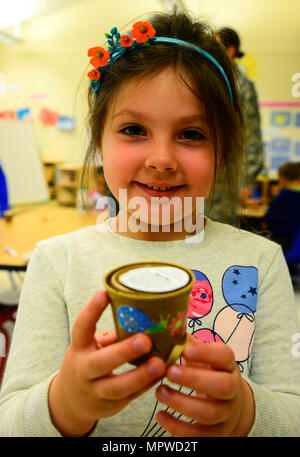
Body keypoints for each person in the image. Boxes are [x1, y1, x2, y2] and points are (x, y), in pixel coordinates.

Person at [0, 10, 299, 438]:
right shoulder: (56, 260)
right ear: (98, 143)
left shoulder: (262, 261)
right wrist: (64, 403)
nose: (161, 159)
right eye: (134, 129)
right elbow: (9, 422)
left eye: (191, 134)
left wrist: (244, 413)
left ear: (224, 151)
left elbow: (292, 412)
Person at [207, 27, 264, 225]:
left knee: (217, 233)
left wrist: (247, 180)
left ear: (231, 51)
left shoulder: (242, 86)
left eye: (217, 45)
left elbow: (251, 135)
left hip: (224, 176)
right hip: (200, 168)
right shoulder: (209, 80)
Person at [263, 161, 300, 254]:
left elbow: (267, 222)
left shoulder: (280, 199)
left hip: (280, 245)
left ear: (281, 179)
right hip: (296, 247)